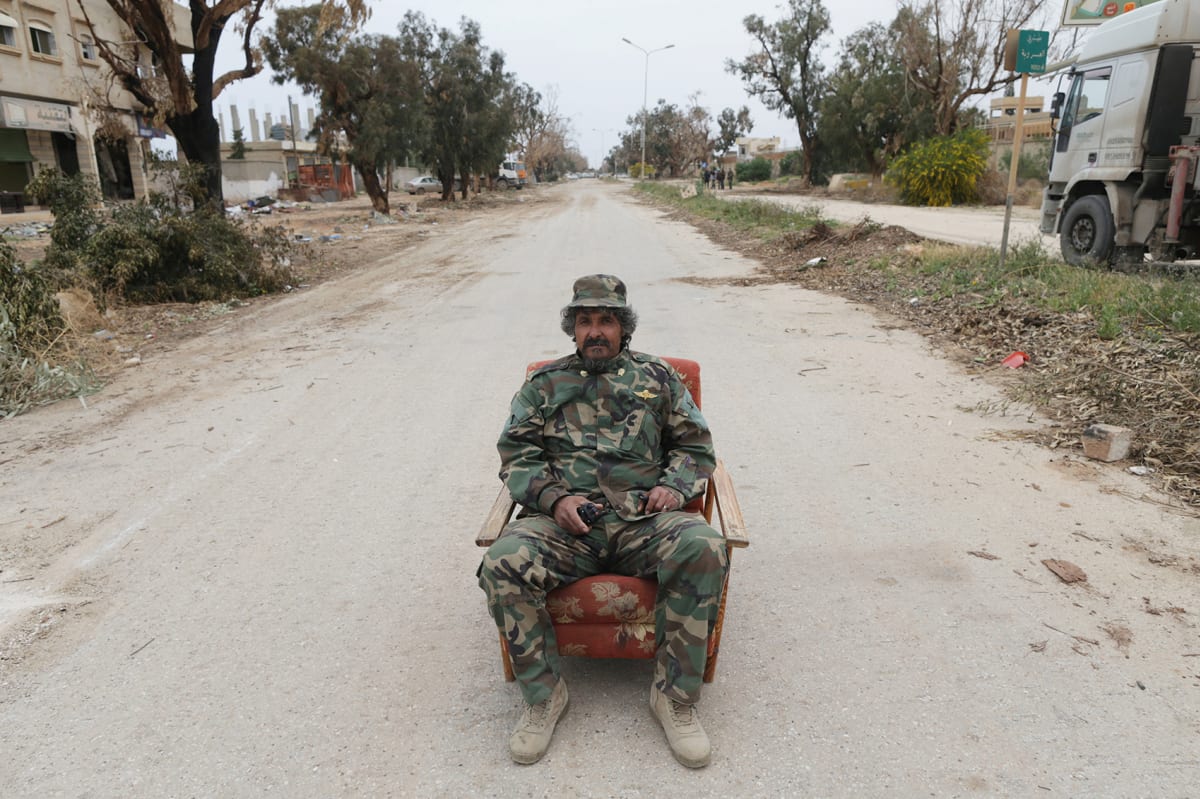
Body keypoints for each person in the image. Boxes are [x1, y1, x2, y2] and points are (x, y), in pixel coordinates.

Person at [478, 274, 729, 768]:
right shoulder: (543, 385)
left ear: (623, 328)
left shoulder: (658, 379)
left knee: (703, 545)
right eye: (585, 320)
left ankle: (674, 697)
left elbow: (696, 450)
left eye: (607, 321)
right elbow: (517, 456)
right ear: (572, 328)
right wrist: (553, 499)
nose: (596, 331)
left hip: (643, 522)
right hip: (565, 525)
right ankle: (544, 695)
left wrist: (673, 486)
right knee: (502, 561)